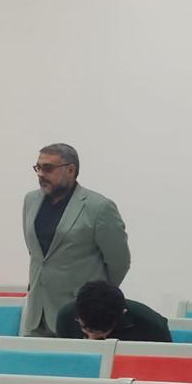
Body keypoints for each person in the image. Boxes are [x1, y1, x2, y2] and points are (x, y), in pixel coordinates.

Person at [23, 142, 130, 336]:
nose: (41, 174)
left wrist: (96, 299)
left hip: (80, 315)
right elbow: (36, 253)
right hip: (36, 314)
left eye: (48, 168)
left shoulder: (99, 207)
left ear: (71, 170)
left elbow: (119, 262)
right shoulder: (31, 200)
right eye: (38, 168)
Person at [55, 281, 171, 342]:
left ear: (122, 315)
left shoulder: (153, 327)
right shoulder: (66, 317)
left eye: (100, 334)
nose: (91, 338)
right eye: (85, 328)